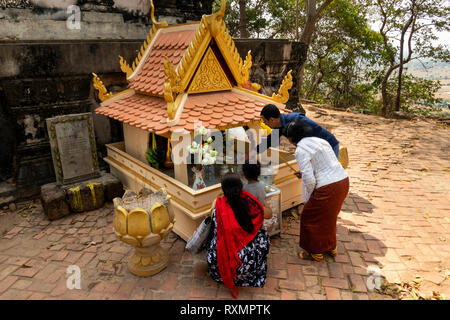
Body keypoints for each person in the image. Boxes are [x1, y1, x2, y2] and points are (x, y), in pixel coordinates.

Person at [284, 119, 349, 262]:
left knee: (309, 216)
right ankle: (331, 246)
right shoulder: (320, 141)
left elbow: (310, 179)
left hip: (328, 187)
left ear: (291, 138)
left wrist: (311, 194)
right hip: (343, 181)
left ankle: (315, 252)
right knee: (329, 216)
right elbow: (323, 165)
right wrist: (304, 175)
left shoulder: (300, 150)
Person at [206, 173, 270, 299]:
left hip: (220, 266)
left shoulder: (218, 205)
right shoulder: (250, 203)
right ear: (241, 187)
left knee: (216, 239)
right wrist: (265, 203)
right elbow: (267, 214)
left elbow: (214, 228)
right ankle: (249, 272)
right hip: (246, 265)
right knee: (264, 237)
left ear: (223, 189)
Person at [258, 104, 340, 159]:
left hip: (328, 145)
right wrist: (251, 151)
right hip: (315, 151)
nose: (264, 123)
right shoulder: (278, 127)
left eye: (265, 121)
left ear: (272, 119)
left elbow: (316, 130)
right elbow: (269, 142)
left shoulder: (296, 119)